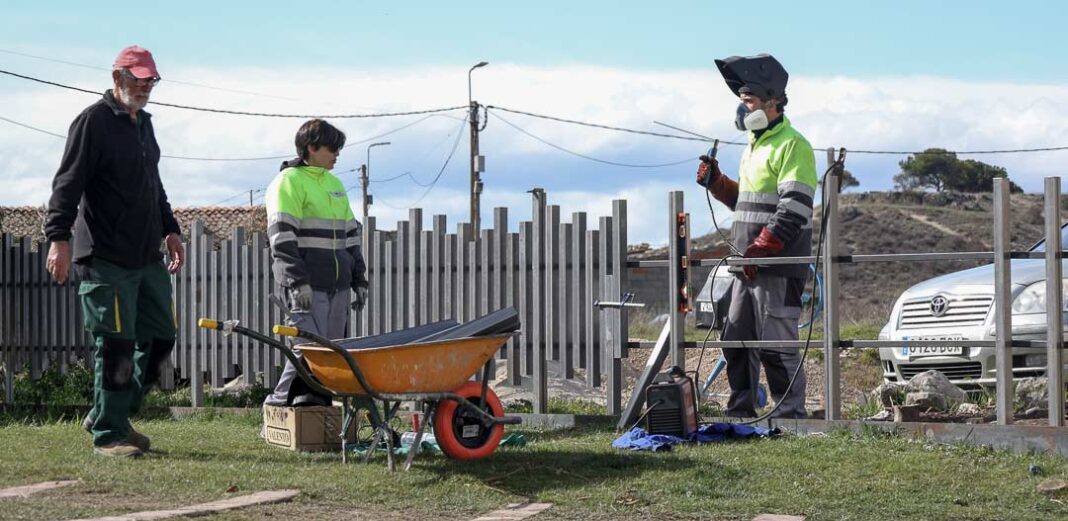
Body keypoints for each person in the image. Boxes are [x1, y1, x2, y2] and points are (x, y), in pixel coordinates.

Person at [44, 45, 183, 457]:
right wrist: (58, 238)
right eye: (136, 80)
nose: (144, 87)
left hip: (146, 255)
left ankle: (110, 414)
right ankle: (109, 434)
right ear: (117, 78)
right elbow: (67, 182)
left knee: (161, 338)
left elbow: (152, 184)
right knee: (117, 346)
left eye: (150, 81)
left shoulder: (144, 126)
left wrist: (171, 229)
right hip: (105, 256)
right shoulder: (93, 122)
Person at [696, 54, 817, 418]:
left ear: (771, 101)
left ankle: (789, 415)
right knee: (735, 341)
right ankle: (742, 409)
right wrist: (718, 184)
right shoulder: (754, 146)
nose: (742, 107)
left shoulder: (793, 145)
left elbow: (795, 206)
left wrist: (763, 248)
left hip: (776, 265)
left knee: (775, 346)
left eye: (748, 100)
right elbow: (749, 204)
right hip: (746, 264)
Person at [263, 119, 368, 407]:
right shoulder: (288, 182)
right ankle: (278, 405)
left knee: (331, 355)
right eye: (332, 148)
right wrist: (298, 282)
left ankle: (314, 410)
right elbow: (282, 237)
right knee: (307, 350)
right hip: (306, 285)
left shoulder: (335, 185)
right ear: (311, 148)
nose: (337, 154)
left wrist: (359, 280)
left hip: (338, 286)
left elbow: (351, 236)